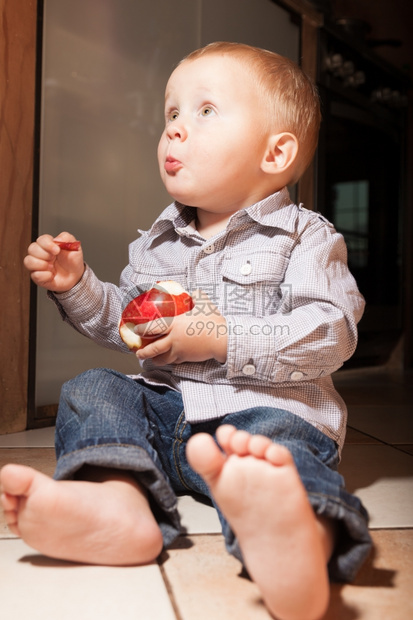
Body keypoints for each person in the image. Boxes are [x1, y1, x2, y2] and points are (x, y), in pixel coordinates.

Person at [0, 42, 371, 620]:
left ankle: (296, 540)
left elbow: (331, 332)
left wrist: (221, 336)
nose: (174, 129)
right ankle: (118, 504)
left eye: (205, 111)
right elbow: (126, 322)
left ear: (276, 153)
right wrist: (77, 285)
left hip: (262, 414)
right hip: (165, 412)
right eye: (171, 113)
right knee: (94, 387)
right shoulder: (155, 242)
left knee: (281, 459)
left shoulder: (307, 238)